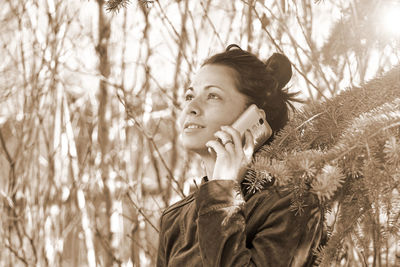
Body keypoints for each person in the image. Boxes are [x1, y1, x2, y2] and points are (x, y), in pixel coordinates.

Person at [156, 44, 323, 267]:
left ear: (252, 118)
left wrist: (223, 192)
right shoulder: (175, 219)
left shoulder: (291, 204)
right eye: (189, 96)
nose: (191, 107)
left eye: (212, 95)